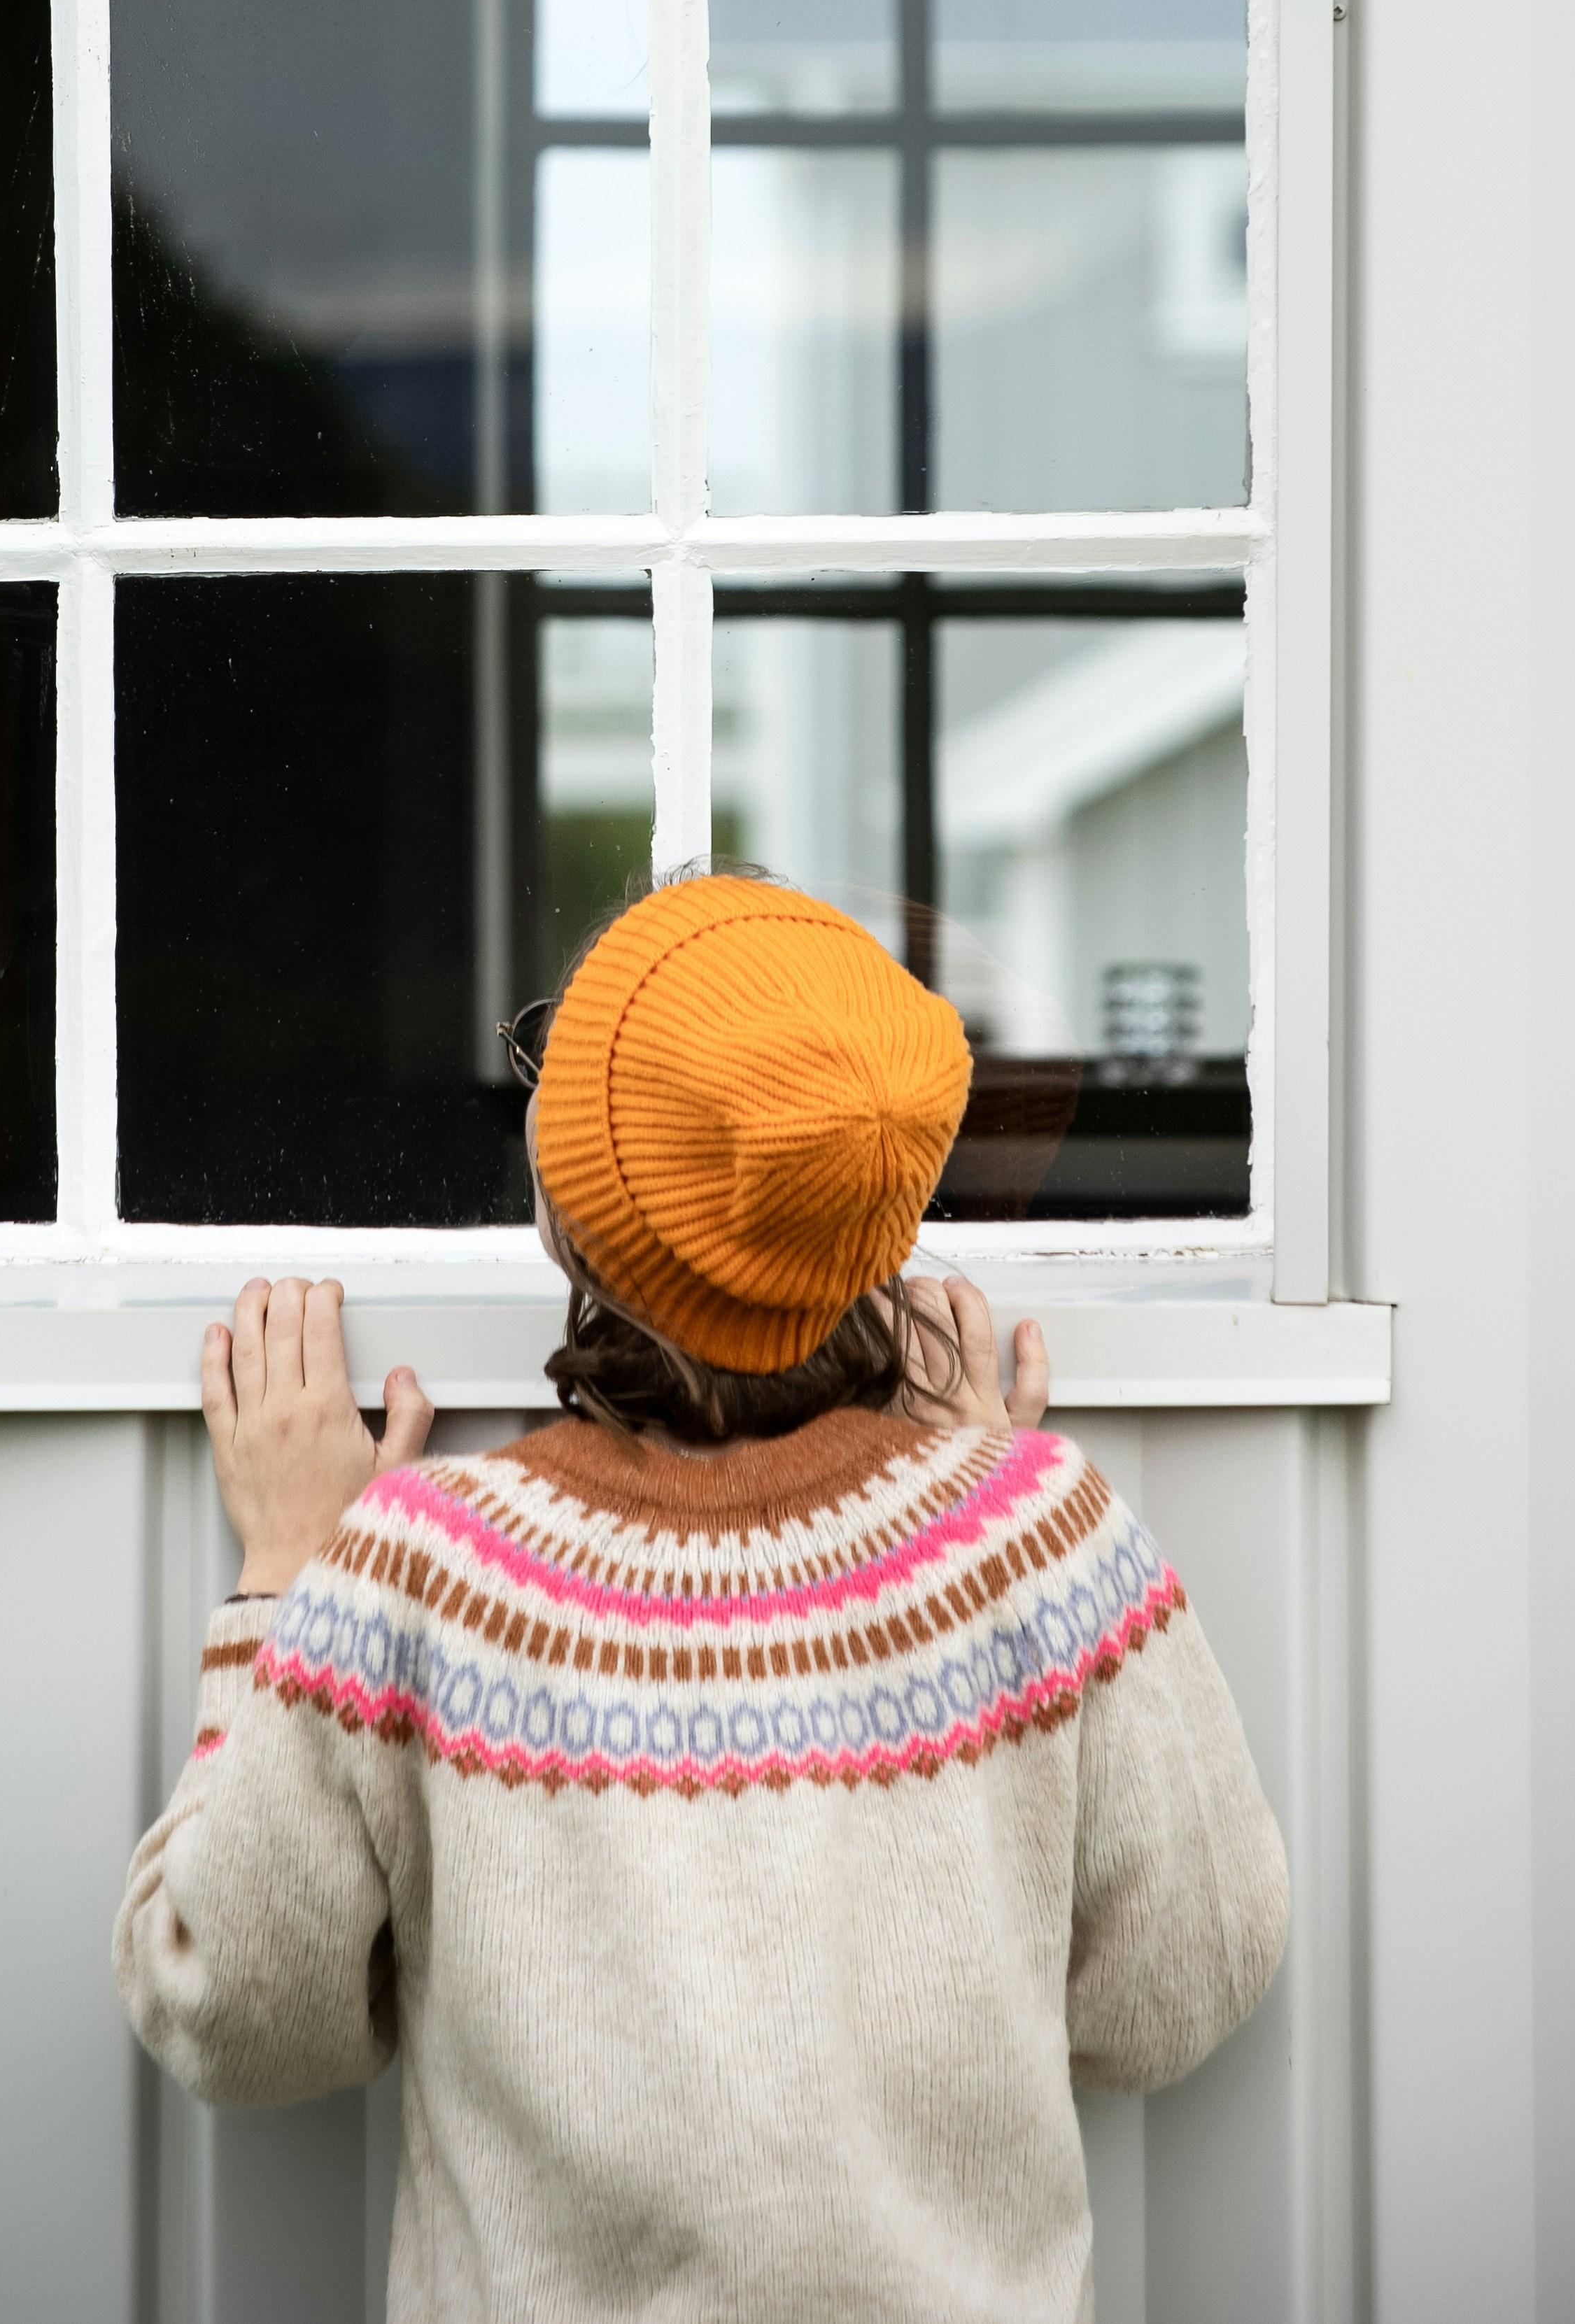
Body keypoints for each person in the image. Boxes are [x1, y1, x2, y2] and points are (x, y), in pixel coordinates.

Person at [113, 869, 1288, 2322]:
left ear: (567, 1213)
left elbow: (225, 2010)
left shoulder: (421, 1575)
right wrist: (985, 1502)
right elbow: (1177, 1988)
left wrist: (286, 1576)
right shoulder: (1039, 1539)